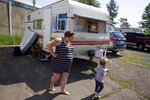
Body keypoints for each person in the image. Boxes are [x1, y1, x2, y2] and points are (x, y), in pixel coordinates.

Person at [47, 30, 75, 95]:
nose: (73, 39)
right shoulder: (59, 40)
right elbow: (48, 45)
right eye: (72, 37)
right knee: (56, 77)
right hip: (58, 63)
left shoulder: (69, 42)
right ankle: (51, 85)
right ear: (67, 37)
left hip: (67, 64)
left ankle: (62, 90)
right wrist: (53, 54)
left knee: (65, 77)